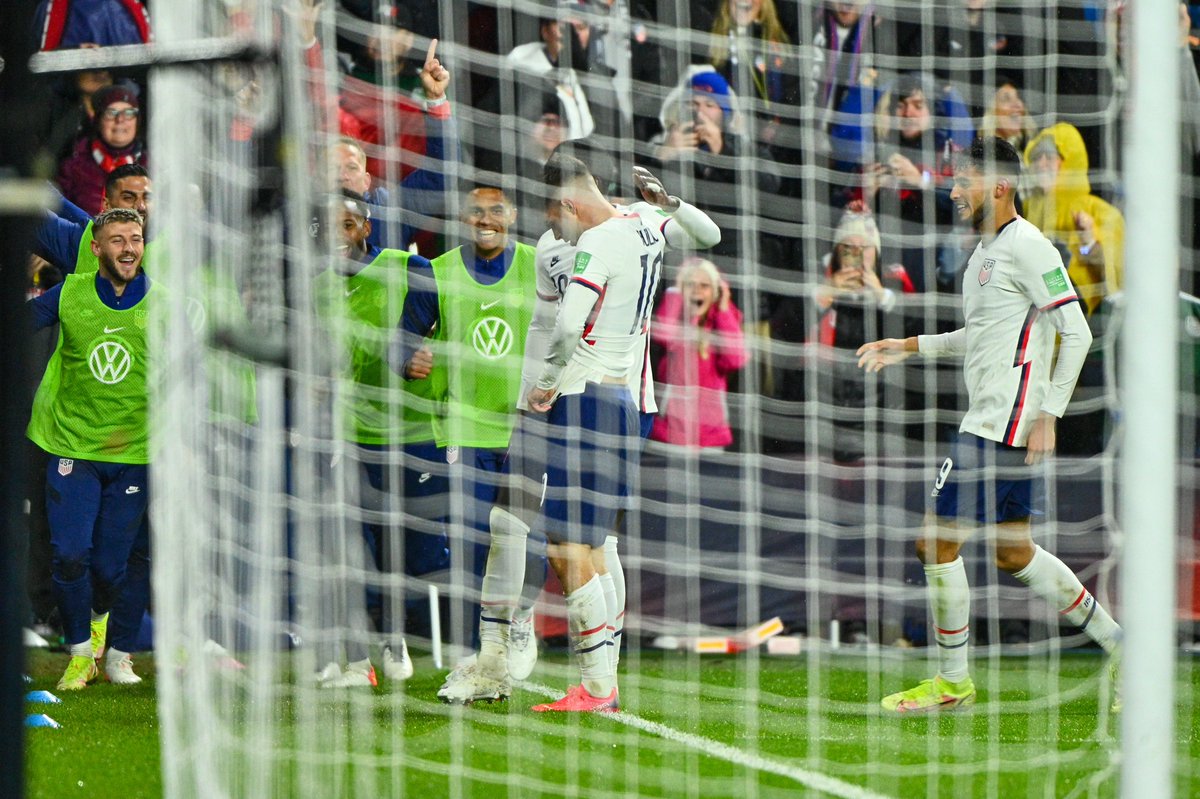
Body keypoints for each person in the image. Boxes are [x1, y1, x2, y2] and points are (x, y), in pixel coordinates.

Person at [435, 153, 720, 708]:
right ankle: (497, 652)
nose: (547, 226)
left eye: (550, 211)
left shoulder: (638, 223)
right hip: (552, 395)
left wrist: (671, 203)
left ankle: (600, 677)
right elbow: (546, 324)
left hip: (618, 396)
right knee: (508, 517)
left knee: (592, 542)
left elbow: (707, 237)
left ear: (568, 200)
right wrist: (530, 394)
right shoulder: (553, 247)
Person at [856, 138, 1122, 713]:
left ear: (999, 185)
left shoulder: (1032, 248)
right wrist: (908, 345)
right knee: (1014, 553)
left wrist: (1049, 413)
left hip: (1002, 423)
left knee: (934, 542)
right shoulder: (985, 254)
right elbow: (979, 338)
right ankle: (1123, 647)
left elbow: (1078, 333)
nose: (953, 189)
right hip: (998, 419)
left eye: (964, 180)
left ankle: (952, 682)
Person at [394, 180, 539, 656]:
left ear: (512, 215)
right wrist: (409, 362)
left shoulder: (537, 267)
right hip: (463, 427)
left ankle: (520, 617)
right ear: (462, 218)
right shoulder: (436, 272)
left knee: (522, 536)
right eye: (476, 212)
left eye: (495, 210)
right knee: (476, 538)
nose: (485, 220)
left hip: (524, 427)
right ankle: (484, 646)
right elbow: (402, 340)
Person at [27, 207, 156, 690]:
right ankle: (80, 652)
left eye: (136, 239)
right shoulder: (72, 293)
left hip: (134, 454)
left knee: (110, 566)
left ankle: (106, 634)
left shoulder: (164, 303)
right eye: (118, 240)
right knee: (69, 554)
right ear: (97, 248)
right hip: (72, 446)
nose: (128, 248)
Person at [310, 190, 427, 687]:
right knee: (345, 543)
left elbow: (444, 316)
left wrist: (424, 352)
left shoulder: (405, 267)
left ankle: (394, 638)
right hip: (343, 432)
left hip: (404, 430)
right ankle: (357, 661)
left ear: (367, 228)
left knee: (396, 543)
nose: (339, 235)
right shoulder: (316, 287)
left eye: (349, 224)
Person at [649, 257, 747, 449]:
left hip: (710, 436)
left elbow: (736, 359)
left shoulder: (723, 323)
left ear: (716, 292)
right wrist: (675, 292)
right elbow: (664, 336)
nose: (697, 291)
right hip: (668, 433)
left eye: (705, 286)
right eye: (690, 285)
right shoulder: (674, 320)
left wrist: (724, 309)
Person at [36, 163, 152, 276]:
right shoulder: (81, 242)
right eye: (128, 198)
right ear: (106, 205)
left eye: (147, 197)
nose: (141, 206)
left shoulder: (167, 243)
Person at [57, 83, 149, 217]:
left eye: (129, 113)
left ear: (137, 120)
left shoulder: (153, 166)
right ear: (98, 120)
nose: (120, 119)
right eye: (111, 113)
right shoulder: (73, 166)